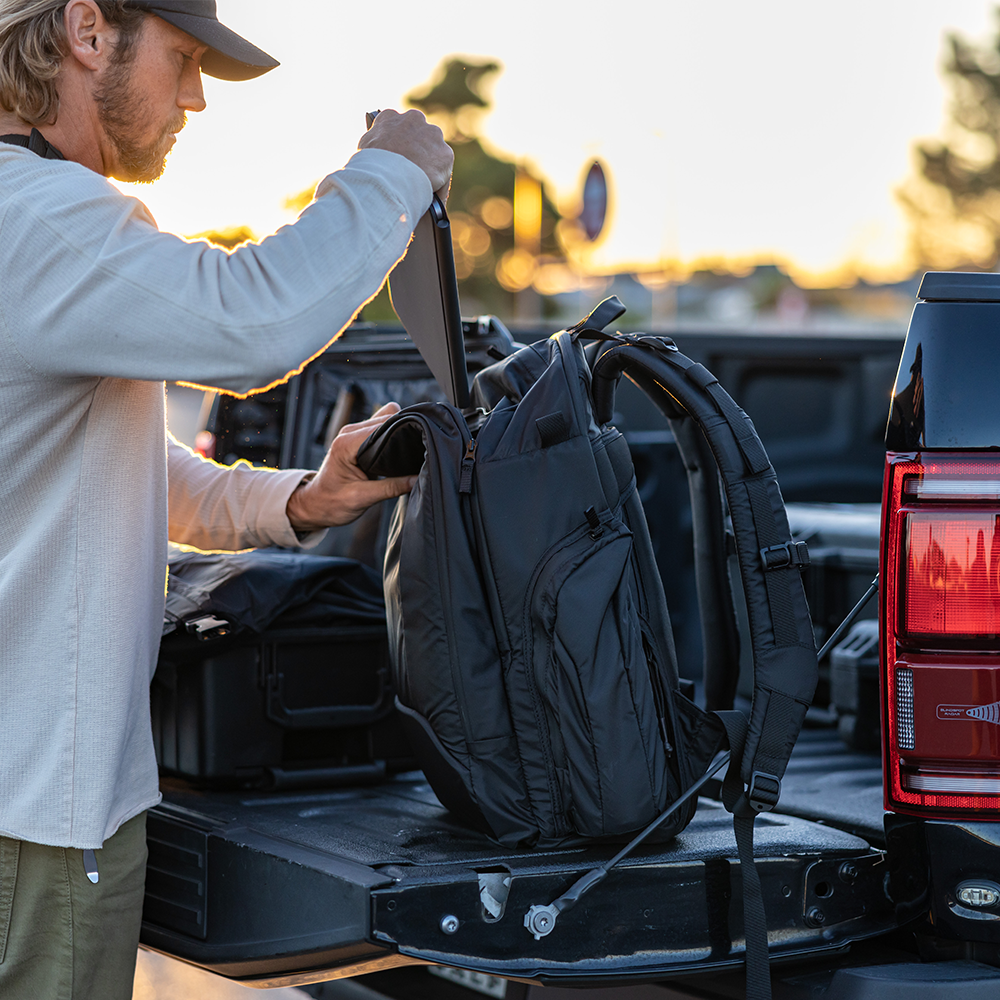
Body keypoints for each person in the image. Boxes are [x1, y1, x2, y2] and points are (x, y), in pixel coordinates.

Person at [0, 1, 453, 996]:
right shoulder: (40, 215)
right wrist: (393, 171)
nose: (196, 98)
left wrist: (299, 500)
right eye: (182, 58)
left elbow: (85, 458)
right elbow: (253, 321)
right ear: (87, 31)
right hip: (31, 822)